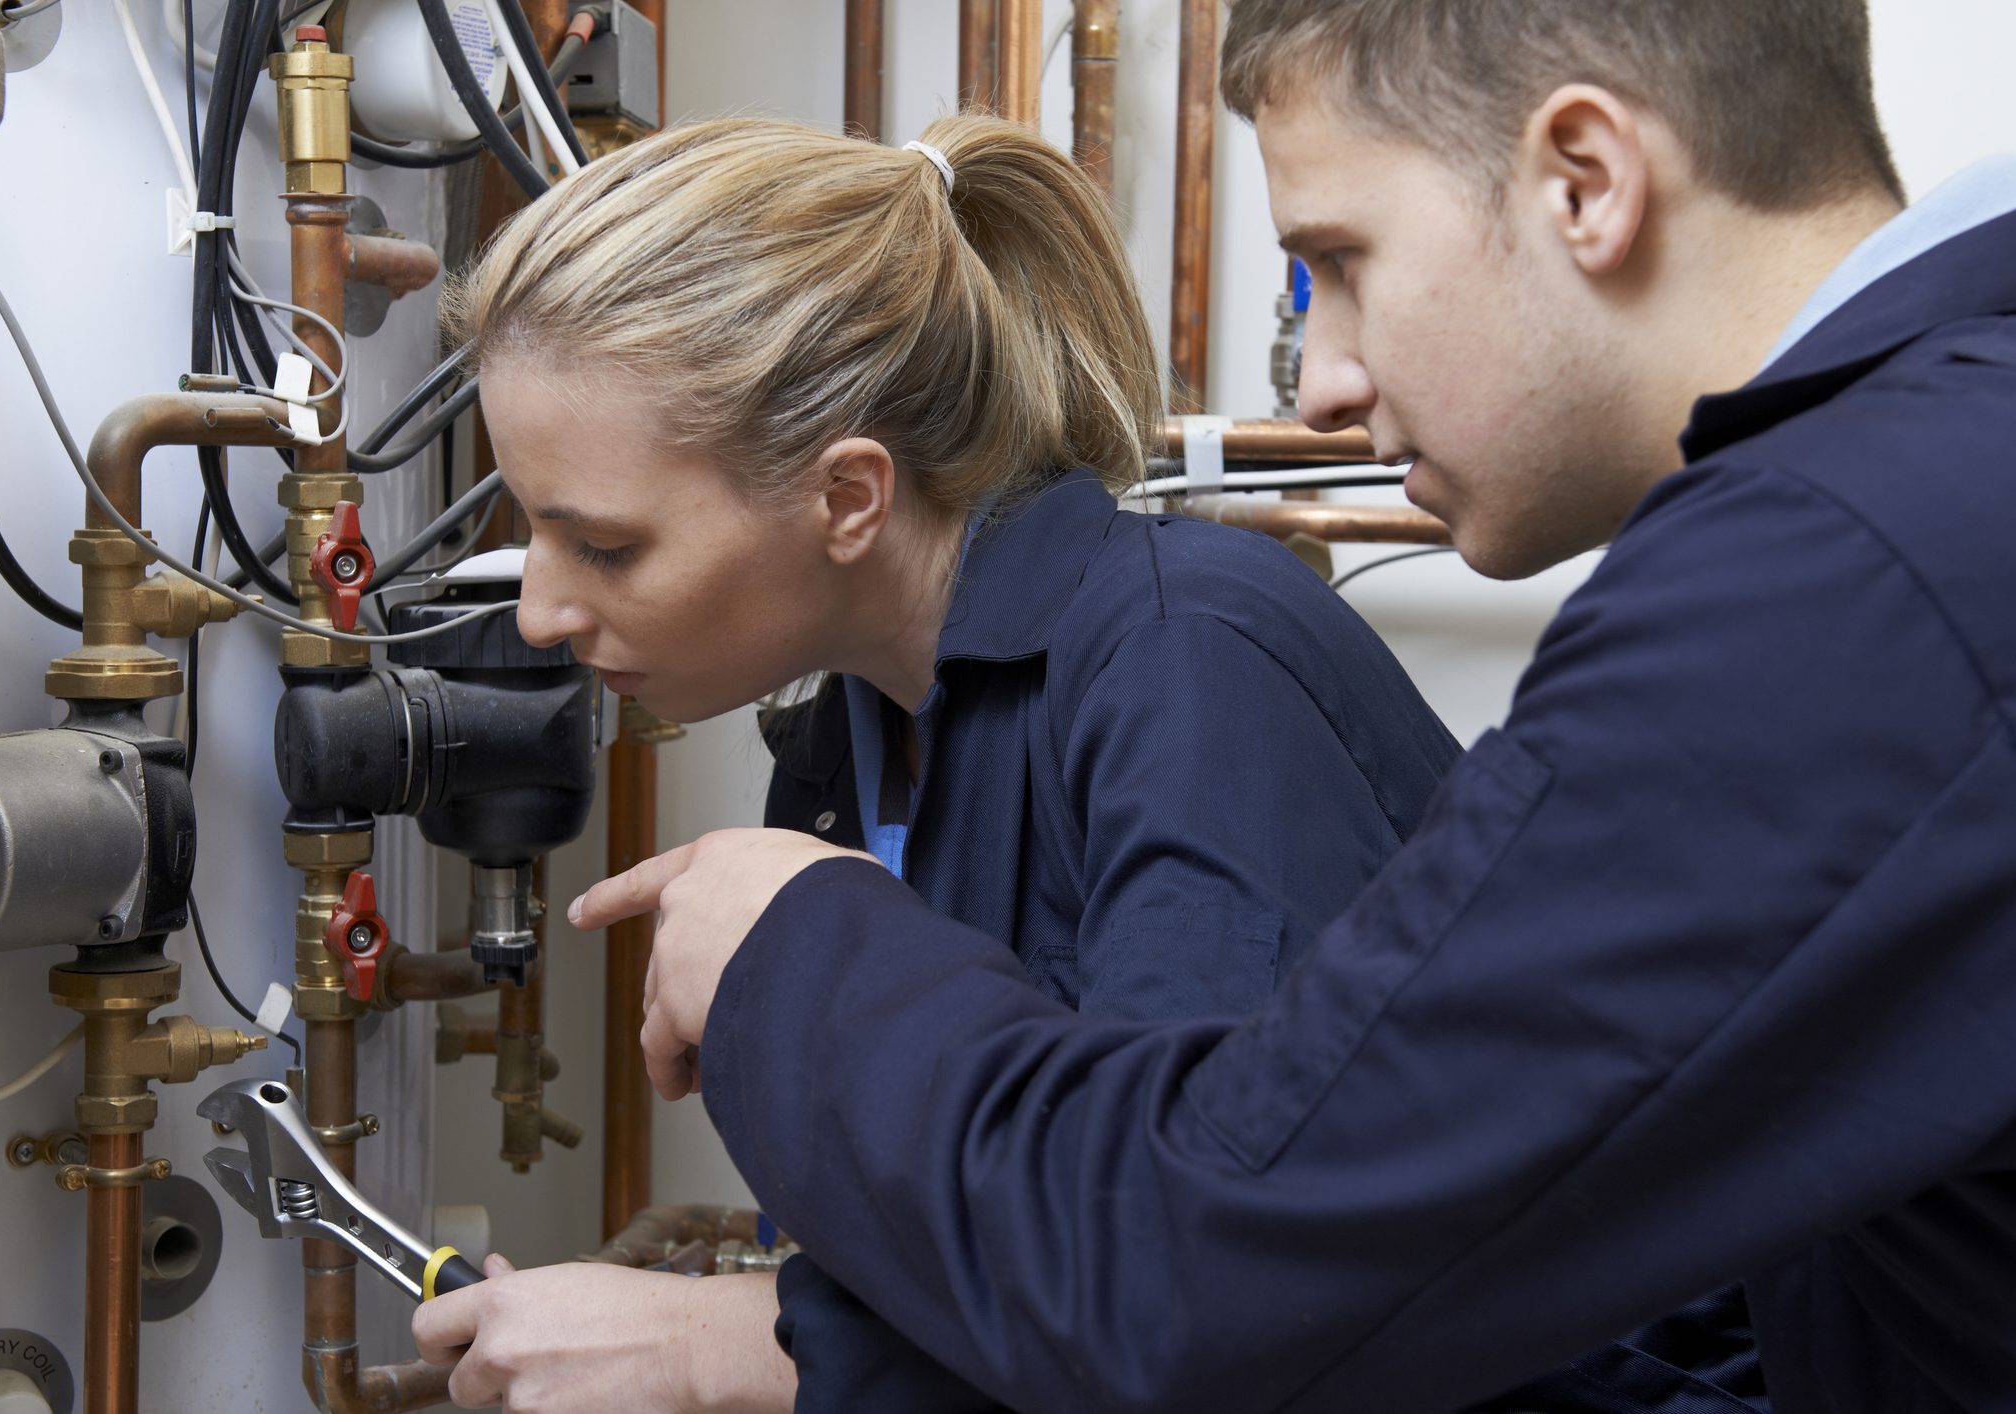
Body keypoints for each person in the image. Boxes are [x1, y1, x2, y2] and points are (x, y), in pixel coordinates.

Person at [561, 0, 2016, 1410]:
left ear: (1585, 180)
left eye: (1340, 260)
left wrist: (788, 940)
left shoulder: (1847, 566)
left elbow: (1191, 1278)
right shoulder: (1925, 496)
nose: (1316, 385)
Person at [410, 109, 1480, 1411]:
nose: (538, 611)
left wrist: (730, 1352)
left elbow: (1217, 1307)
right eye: (533, 530)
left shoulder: (1188, 662)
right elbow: (962, 1263)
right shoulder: (844, 749)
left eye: (607, 546)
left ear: (849, 497)